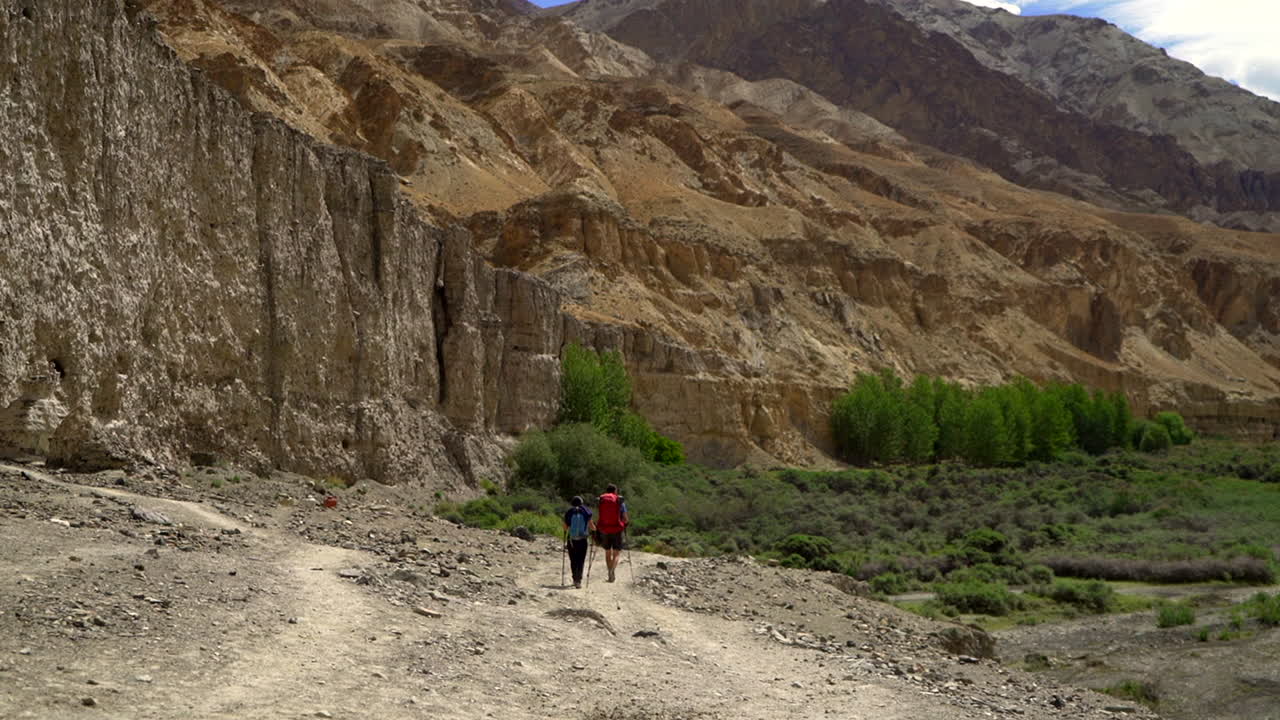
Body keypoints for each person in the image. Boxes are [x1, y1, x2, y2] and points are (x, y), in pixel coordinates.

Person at [591, 484, 629, 583]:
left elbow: (599, 515)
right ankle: (612, 570)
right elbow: (625, 518)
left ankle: (609, 572)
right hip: (616, 529)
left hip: (604, 529)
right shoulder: (619, 501)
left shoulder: (602, 500)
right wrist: (625, 525)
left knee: (608, 552)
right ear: (615, 491)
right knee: (616, 553)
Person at [562, 496, 592, 589]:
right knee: (581, 560)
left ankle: (575, 579)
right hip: (583, 540)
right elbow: (592, 526)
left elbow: (565, 528)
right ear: (581, 503)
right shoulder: (586, 512)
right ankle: (579, 581)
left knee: (573, 560)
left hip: (571, 540)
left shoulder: (569, 512)